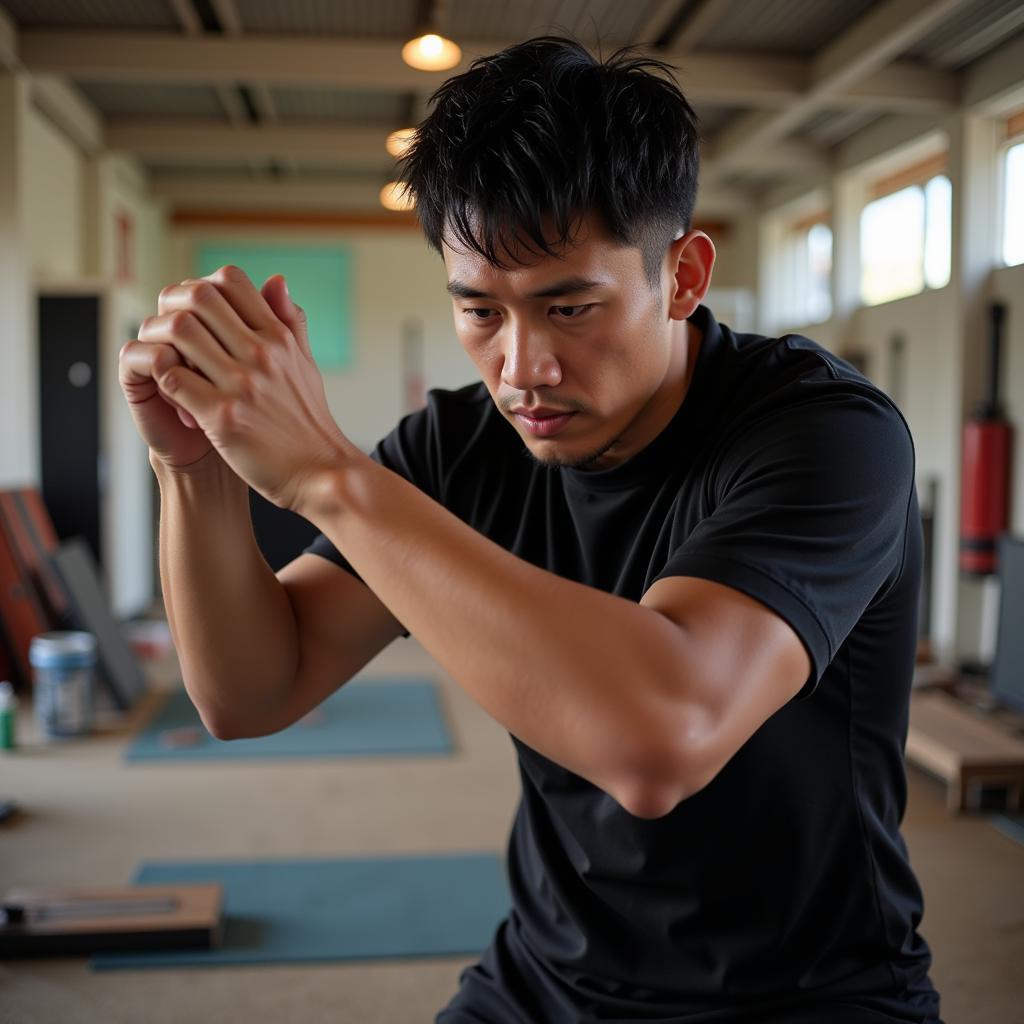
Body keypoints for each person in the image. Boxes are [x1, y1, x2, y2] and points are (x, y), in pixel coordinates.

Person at [118, 36, 941, 1024]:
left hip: (804, 997)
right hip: (544, 981)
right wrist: (192, 462)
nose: (521, 370)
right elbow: (251, 689)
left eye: (570, 307)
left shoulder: (827, 436)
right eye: (479, 311)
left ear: (681, 276)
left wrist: (328, 474)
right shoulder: (460, 447)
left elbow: (657, 743)